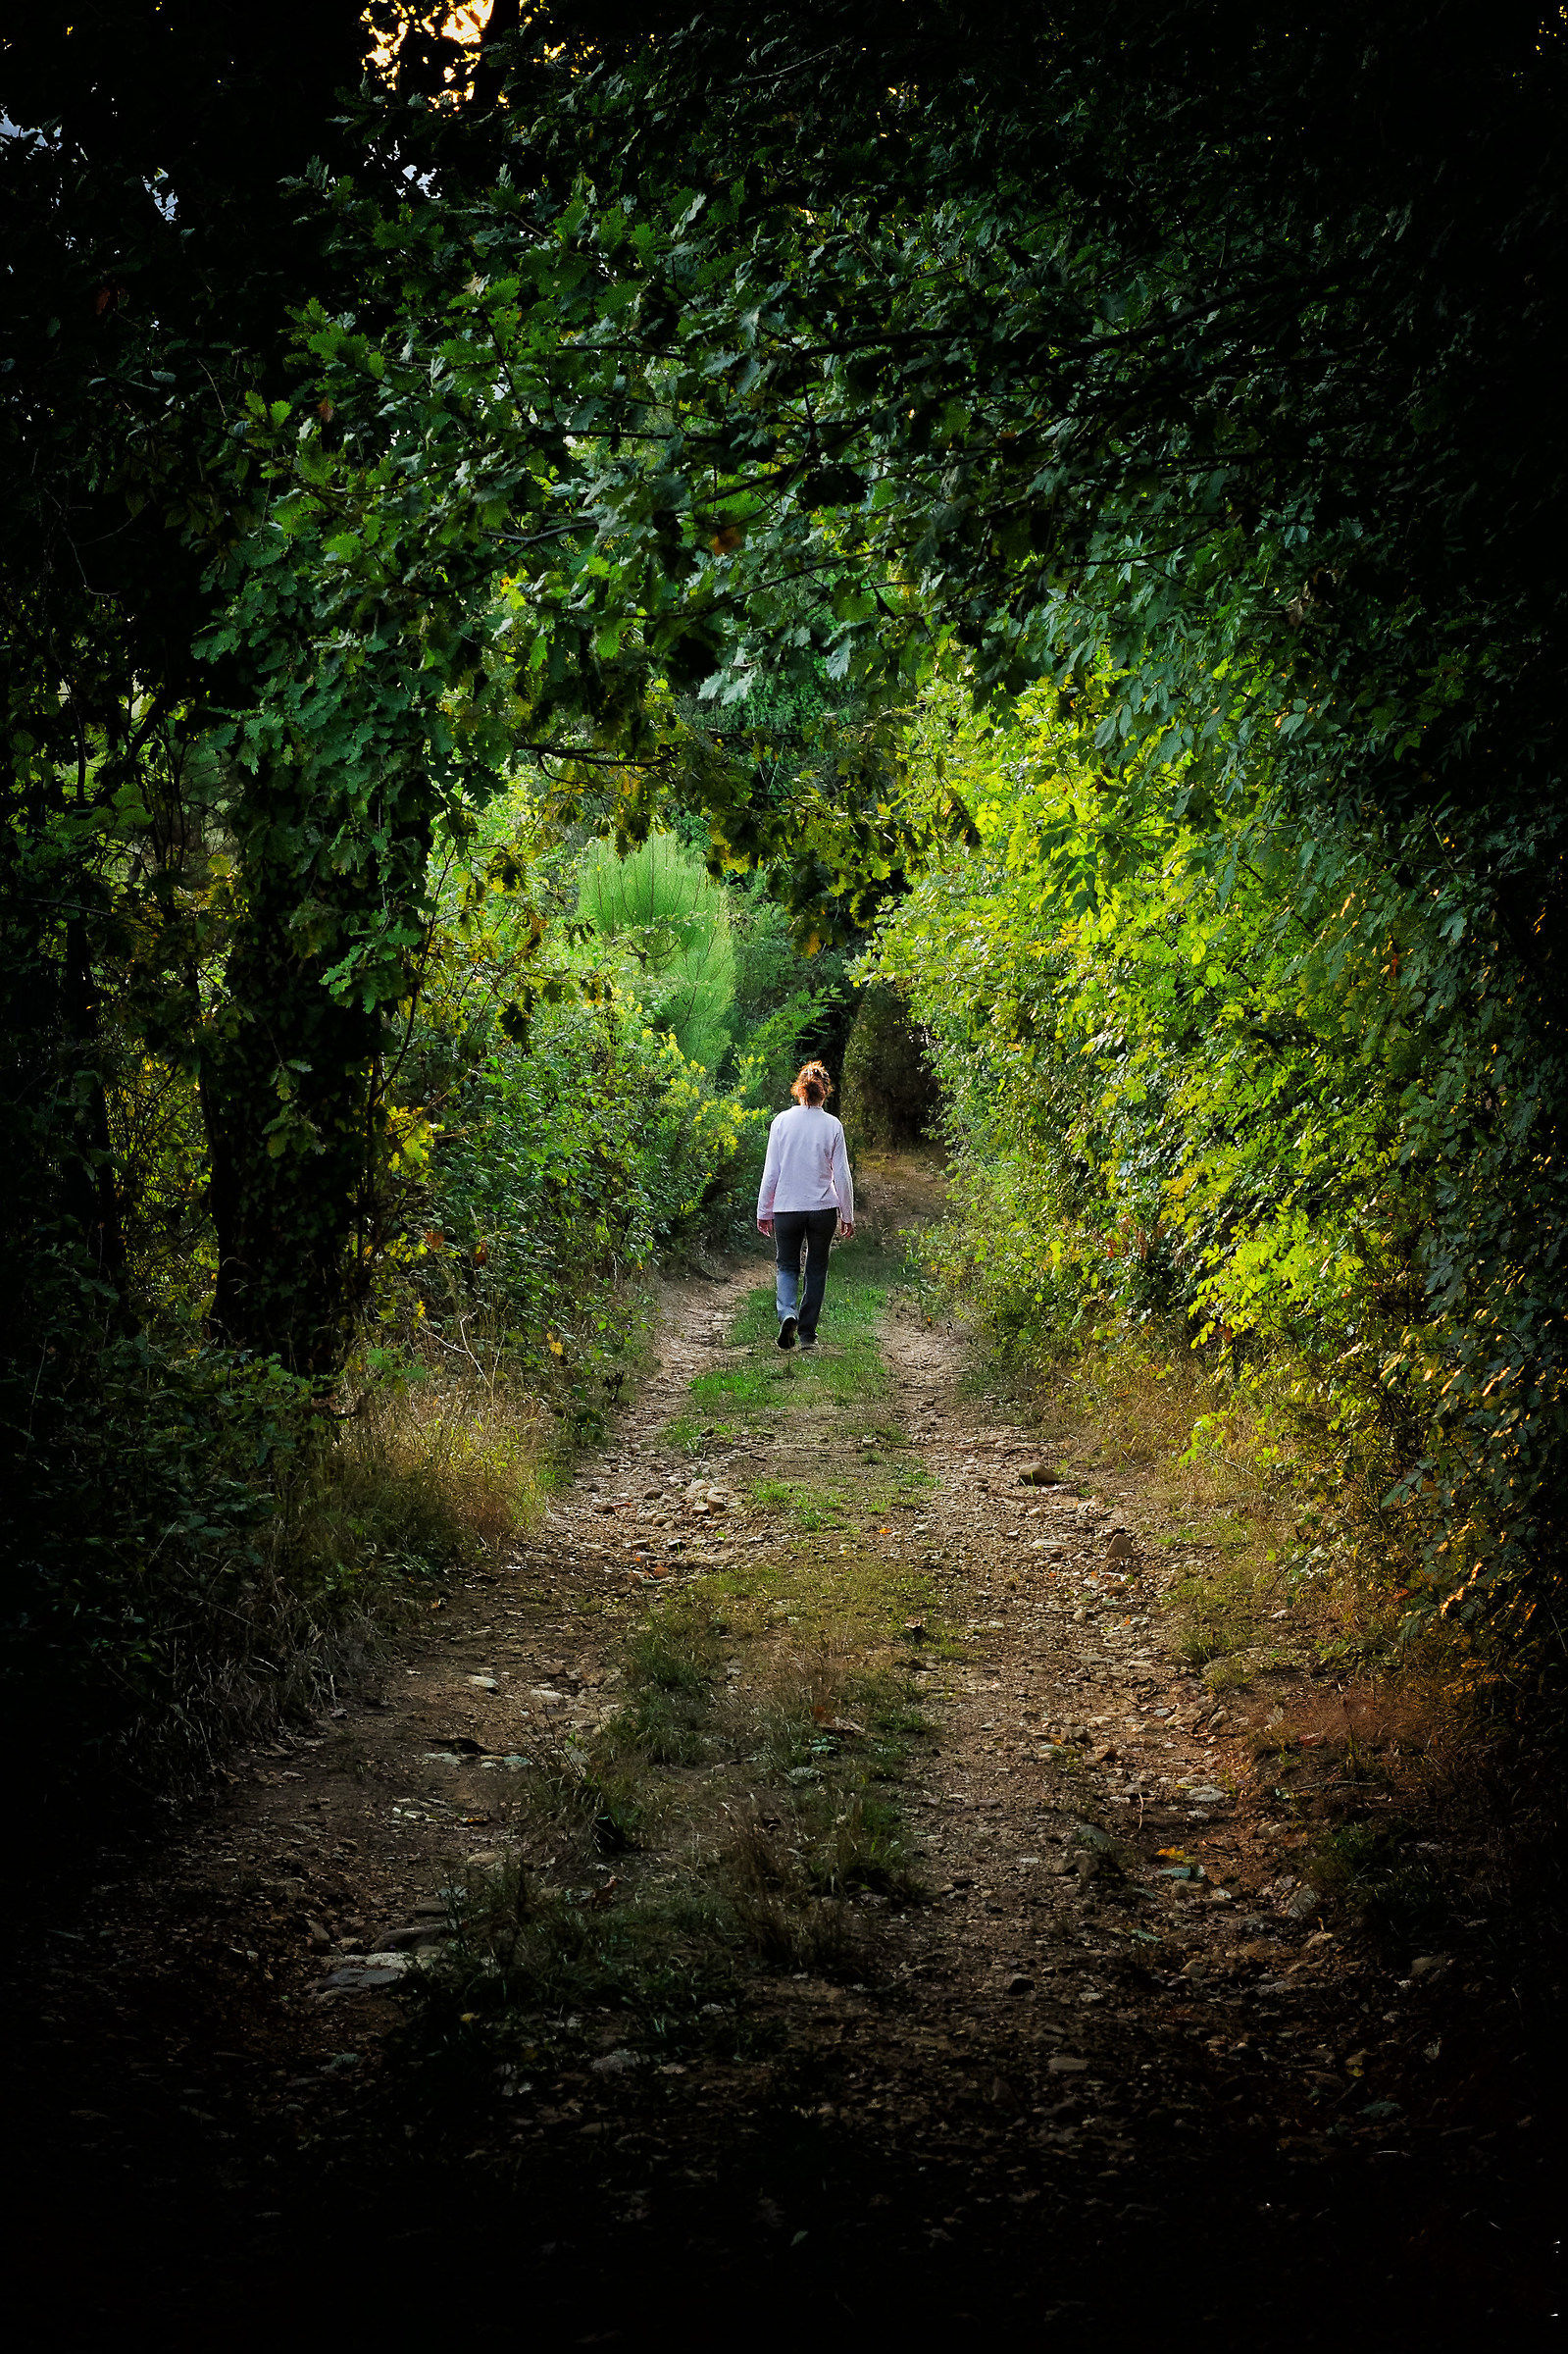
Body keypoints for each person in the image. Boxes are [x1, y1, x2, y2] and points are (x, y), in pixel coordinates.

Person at [755, 1059, 855, 1351]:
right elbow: (842, 1175)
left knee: (787, 1265)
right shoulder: (832, 1125)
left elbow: (771, 1171)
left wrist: (764, 1210)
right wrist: (847, 1214)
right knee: (816, 1267)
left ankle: (787, 1312)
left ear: (799, 1090)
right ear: (825, 1092)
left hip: (786, 1207)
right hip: (822, 1208)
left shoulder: (781, 1122)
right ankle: (807, 1335)